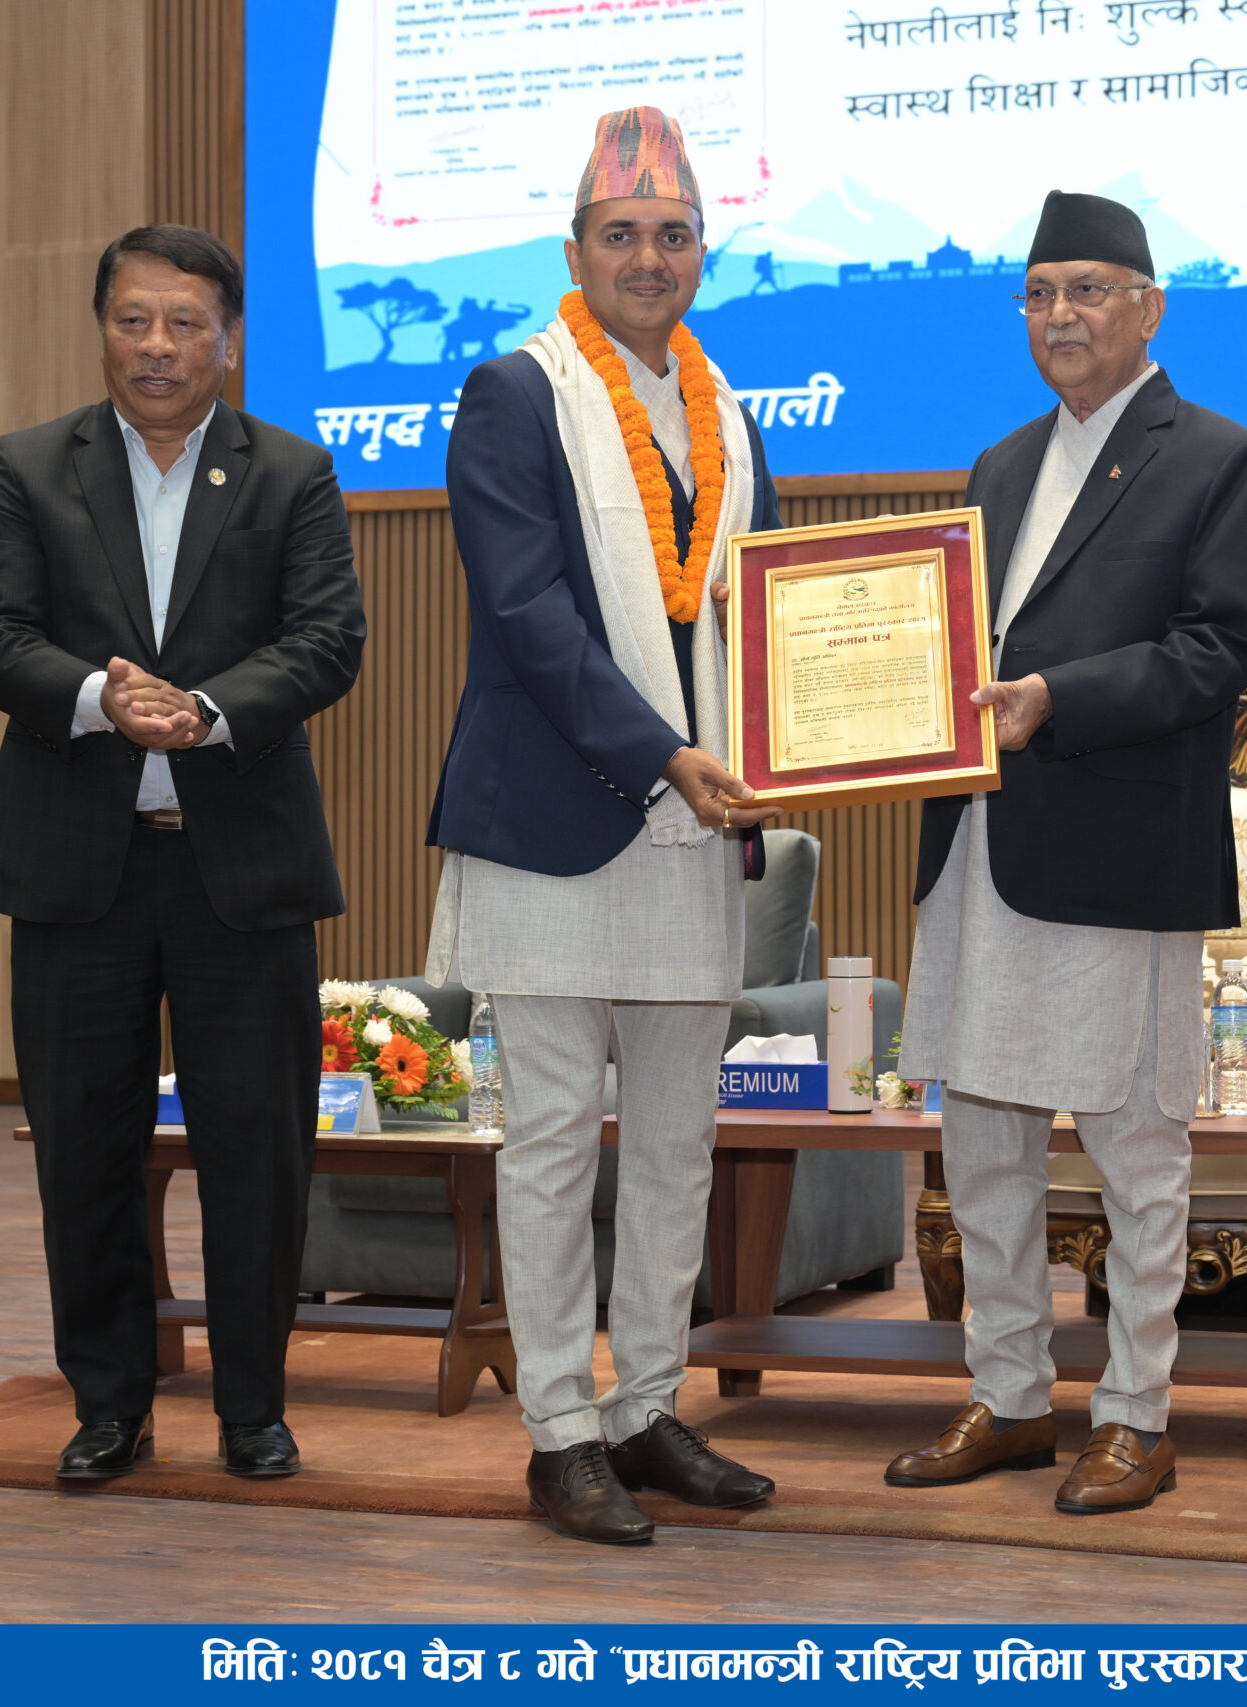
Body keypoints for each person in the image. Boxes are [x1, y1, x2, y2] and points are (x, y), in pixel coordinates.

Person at [885, 191, 1247, 1515]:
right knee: (981, 1140)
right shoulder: (999, 463)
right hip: (979, 843)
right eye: (1040, 292)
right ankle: (1007, 1396)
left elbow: (1215, 654)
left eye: (1089, 290)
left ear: (1149, 308)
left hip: (1116, 849)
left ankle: (1135, 1416)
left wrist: (1059, 696)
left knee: (1133, 1146)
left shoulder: (1221, 456)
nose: (1061, 316)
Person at [421, 106, 784, 1546]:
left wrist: (788, 737)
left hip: (694, 826)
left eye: (673, 234)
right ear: (573, 251)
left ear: (703, 254)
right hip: (556, 827)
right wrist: (665, 753)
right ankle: (561, 1432)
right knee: (555, 1139)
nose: (649, 257)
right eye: (621, 233)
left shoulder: (729, 412)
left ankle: (645, 1406)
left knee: (680, 1141)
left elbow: (768, 614)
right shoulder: (513, 393)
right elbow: (527, 613)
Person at [0, 225, 367, 1483]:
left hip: (240, 868)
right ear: (102, 330)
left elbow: (328, 639)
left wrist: (209, 709)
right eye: (133, 320)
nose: (156, 346)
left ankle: (252, 1406)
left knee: (258, 1152)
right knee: (84, 1151)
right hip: (73, 868)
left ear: (227, 343)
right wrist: (100, 696)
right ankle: (108, 1405)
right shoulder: (29, 466)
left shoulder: (292, 473)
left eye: (185, 323)